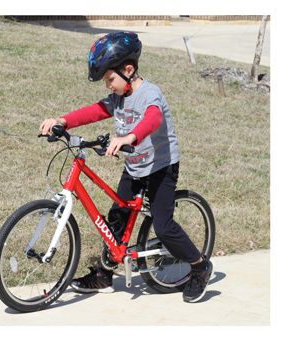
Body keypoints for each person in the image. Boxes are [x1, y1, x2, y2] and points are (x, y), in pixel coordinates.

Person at [38, 32, 212, 303]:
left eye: (110, 79)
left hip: (160, 167)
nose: (108, 86)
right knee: (117, 216)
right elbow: (95, 111)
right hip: (134, 166)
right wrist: (62, 120)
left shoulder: (149, 94)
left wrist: (130, 137)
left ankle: (200, 266)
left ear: (128, 70)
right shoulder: (118, 97)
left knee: (163, 225)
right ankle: (105, 273)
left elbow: (152, 119)